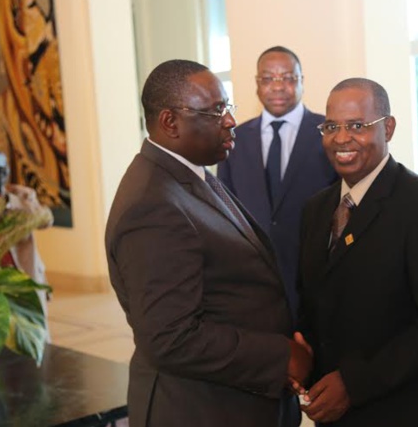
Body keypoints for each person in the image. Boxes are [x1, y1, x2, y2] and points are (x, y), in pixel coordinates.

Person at [105, 60, 311, 427]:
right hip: (198, 408)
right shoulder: (154, 205)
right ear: (171, 122)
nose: (230, 120)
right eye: (217, 110)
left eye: (227, 107)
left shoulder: (188, 173)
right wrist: (281, 356)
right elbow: (171, 338)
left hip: (231, 398)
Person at [296, 78, 418, 426]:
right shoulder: (315, 210)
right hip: (338, 414)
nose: (342, 138)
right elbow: (312, 299)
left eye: (358, 126)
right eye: (331, 126)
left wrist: (353, 383)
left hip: (412, 410)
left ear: (388, 128)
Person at [217, 46, 337, 318]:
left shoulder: (329, 133)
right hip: (254, 280)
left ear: (302, 81)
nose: (278, 86)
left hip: (315, 276)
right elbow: (224, 204)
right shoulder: (234, 139)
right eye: (268, 78)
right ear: (257, 85)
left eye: (288, 77)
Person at [0, 146, 54, 326]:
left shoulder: (21, 198)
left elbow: (45, 221)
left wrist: (9, 201)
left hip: (25, 279)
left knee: (34, 338)